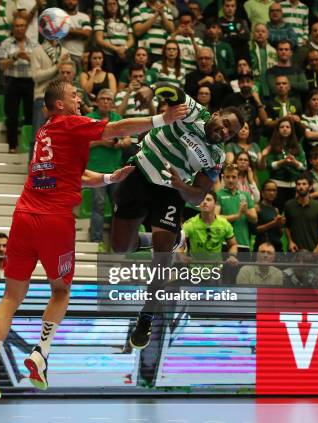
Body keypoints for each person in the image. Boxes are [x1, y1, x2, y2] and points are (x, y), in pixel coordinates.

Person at [0, 79, 188, 400]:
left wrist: (106, 179)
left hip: (23, 216)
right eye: (74, 95)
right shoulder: (70, 123)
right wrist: (162, 119)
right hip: (54, 220)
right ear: (59, 103)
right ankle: (40, 353)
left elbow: (71, 175)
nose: (79, 98)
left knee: (10, 297)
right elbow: (116, 128)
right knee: (60, 291)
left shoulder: (45, 132)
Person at [110, 87, 243, 349]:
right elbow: (171, 90)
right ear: (216, 114)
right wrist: (149, 90)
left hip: (171, 191)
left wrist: (182, 186)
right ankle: (154, 239)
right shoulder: (193, 110)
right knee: (120, 247)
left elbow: (198, 196)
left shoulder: (216, 157)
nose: (225, 132)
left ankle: (145, 318)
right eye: (225, 124)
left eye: (231, 133)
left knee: (163, 257)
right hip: (139, 175)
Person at [86, 88, 129, 247]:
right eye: (102, 98)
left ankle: (116, 242)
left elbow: (128, 140)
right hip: (95, 170)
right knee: (98, 204)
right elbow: (82, 144)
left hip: (115, 169)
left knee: (118, 206)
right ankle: (97, 241)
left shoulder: (117, 118)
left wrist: (121, 143)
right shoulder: (89, 119)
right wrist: (101, 142)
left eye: (109, 99)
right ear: (96, 102)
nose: (105, 101)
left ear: (112, 103)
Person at [0, 17, 37, 153]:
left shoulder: (34, 44)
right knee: (11, 115)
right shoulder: (6, 43)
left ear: (26, 27)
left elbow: (40, 64)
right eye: (17, 26)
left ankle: (28, 145)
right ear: (13, 28)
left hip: (30, 81)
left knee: (30, 115)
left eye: (22, 25)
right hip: (12, 81)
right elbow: (2, 66)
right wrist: (14, 57)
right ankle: (12, 146)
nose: (20, 28)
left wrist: (28, 58)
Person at [260, 117, 307, 211]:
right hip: (277, 186)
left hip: (294, 187)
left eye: (287, 127)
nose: (285, 129)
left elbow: (304, 167)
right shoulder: (271, 145)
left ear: (291, 130)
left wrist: (295, 162)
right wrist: (282, 162)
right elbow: (269, 165)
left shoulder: (298, 146)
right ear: (278, 130)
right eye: (282, 127)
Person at [216, 164, 257, 252]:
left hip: (244, 243)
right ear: (223, 178)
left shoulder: (246, 195)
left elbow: (254, 219)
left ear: (238, 178)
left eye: (234, 177)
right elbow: (215, 218)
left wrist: (245, 211)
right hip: (224, 242)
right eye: (228, 177)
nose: (231, 180)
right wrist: (237, 215)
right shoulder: (218, 194)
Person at [284, 174, 318, 253]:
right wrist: (290, 242)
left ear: (310, 187)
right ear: (296, 187)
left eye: (304, 184)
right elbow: (287, 226)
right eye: (298, 184)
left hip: (314, 250)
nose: (301, 187)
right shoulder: (289, 205)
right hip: (295, 251)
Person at [93, 0, 133, 77]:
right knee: (110, 77)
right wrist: (115, 49)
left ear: (118, 6)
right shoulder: (101, 20)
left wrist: (124, 48)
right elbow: (99, 39)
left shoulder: (125, 20)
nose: (112, 6)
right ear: (105, 7)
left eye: (114, 4)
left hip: (124, 54)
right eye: (109, 4)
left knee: (124, 77)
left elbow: (131, 39)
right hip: (108, 55)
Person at [255, 180, 285, 252]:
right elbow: (255, 230)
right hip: (263, 247)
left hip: (276, 246)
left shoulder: (276, 210)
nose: (271, 193)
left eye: (274, 190)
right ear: (262, 193)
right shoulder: (257, 207)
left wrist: (280, 224)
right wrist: (273, 223)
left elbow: (280, 234)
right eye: (268, 190)